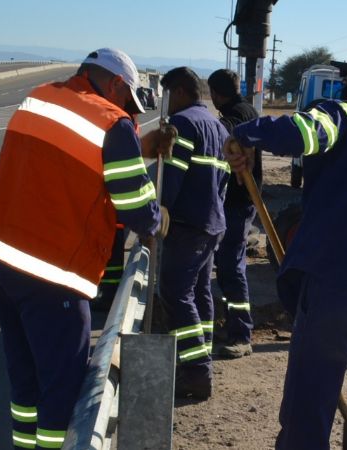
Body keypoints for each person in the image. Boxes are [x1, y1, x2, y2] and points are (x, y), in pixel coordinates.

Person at [0, 48, 172, 450]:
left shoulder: (39, 97)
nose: (130, 112)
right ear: (115, 84)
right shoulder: (113, 122)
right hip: (50, 268)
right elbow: (135, 206)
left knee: (25, 374)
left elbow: (68, 160)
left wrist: (136, 146)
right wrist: (158, 218)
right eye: (129, 101)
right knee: (63, 382)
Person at [224, 70, 347, 449]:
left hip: (337, 287)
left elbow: (303, 133)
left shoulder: (344, 113)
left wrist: (245, 135)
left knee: (308, 410)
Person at [158, 66, 230, 400]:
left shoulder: (183, 123)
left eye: (169, 94)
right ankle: (202, 358)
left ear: (181, 91)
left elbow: (171, 180)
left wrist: (157, 214)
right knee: (199, 293)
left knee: (175, 293)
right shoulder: (218, 126)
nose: (167, 102)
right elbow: (225, 181)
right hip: (212, 223)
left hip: (187, 225)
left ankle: (197, 373)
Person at [207, 68, 261, 359]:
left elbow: (228, 129)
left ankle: (242, 334)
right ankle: (233, 324)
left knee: (231, 265)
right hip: (239, 201)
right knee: (227, 264)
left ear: (215, 93)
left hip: (239, 201)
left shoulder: (238, 114)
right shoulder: (249, 107)